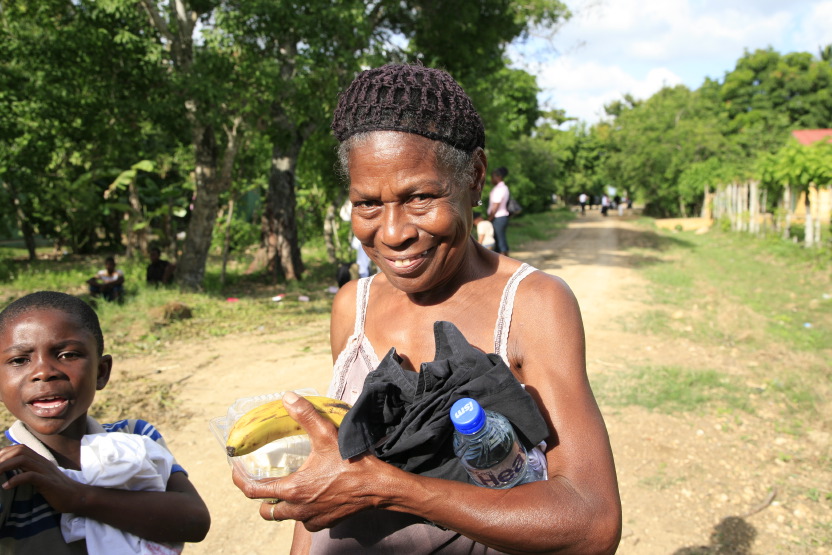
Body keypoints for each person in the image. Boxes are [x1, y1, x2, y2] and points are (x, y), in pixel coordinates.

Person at [232, 63, 621, 554]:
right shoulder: (353, 305)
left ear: (474, 177)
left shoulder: (531, 304)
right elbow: (329, 475)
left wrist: (390, 490)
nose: (393, 233)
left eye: (420, 197)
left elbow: (591, 521)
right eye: (367, 204)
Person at [0, 291, 210, 553]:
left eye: (67, 355)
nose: (44, 372)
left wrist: (78, 497)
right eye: (19, 360)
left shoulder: (135, 436)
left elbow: (195, 521)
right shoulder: (8, 469)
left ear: (101, 372)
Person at [487, 167, 511, 255]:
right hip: (500, 218)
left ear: (498, 177)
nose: (491, 179)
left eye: (492, 176)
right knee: (499, 240)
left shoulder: (500, 189)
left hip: (498, 218)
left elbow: (496, 205)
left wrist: (490, 218)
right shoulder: (502, 188)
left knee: (500, 242)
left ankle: (505, 264)